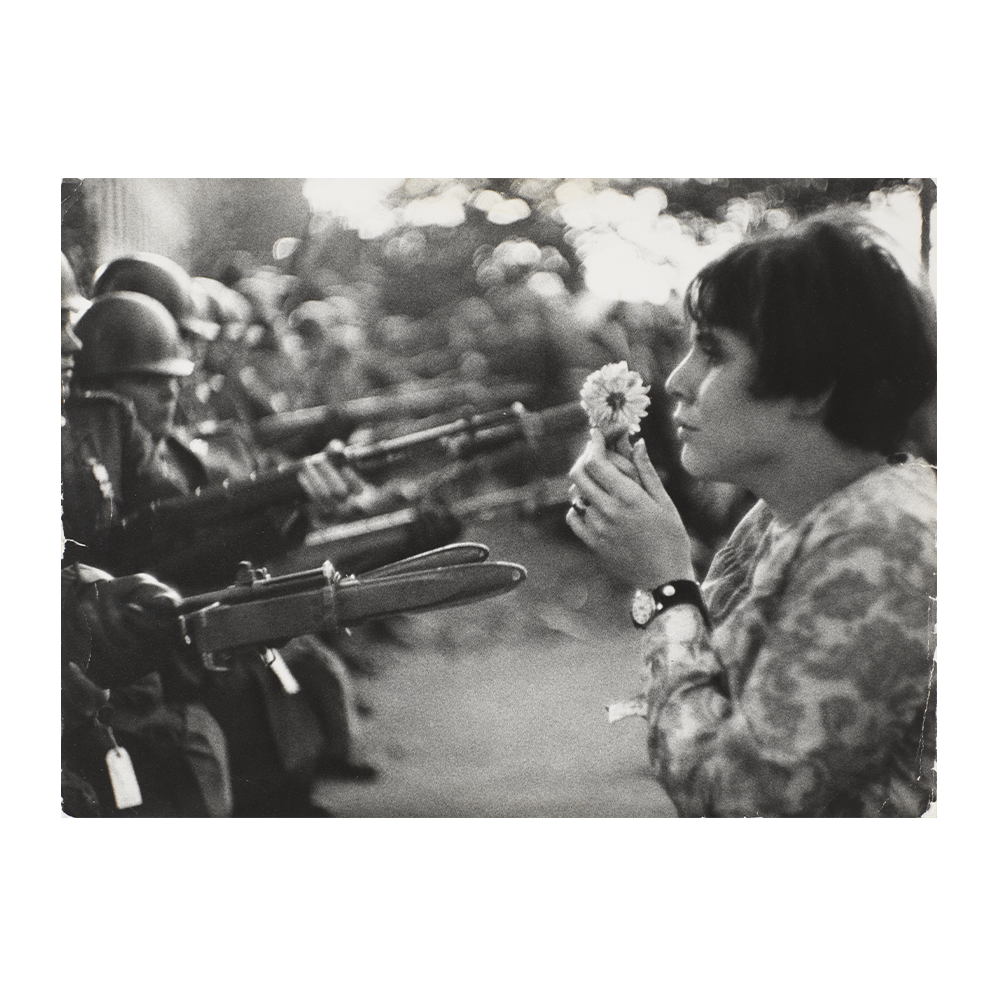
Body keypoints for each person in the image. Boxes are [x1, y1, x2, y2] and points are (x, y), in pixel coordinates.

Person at [566, 211, 936, 818]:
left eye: (712, 352)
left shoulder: (885, 539)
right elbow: (710, 693)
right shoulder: (782, 515)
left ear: (813, 385)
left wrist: (664, 588)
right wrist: (659, 568)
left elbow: (739, 801)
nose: (679, 381)